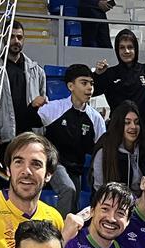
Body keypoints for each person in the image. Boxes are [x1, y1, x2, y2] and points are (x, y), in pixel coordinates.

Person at [39, 63, 106, 214]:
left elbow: (102, 151)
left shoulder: (95, 118)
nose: (90, 88)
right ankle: (59, 232)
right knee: (69, 189)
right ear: (71, 86)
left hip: (76, 169)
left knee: (74, 199)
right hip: (54, 163)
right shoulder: (53, 108)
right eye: (84, 83)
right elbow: (30, 125)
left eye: (91, 83)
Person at [93, 29, 145, 144]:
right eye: (122, 47)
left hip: (142, 134)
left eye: (130, 47)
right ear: (117, 50)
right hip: (116, 134)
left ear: (136, 49)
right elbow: (92, 92)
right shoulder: (109, 73)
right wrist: (97, 75)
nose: (126, 51)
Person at [0, 21, 47, 148]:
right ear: (3, 39)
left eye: (19, 37)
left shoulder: (37, 70)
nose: (16, 41)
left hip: (30, 135)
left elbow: (43, 105)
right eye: (11, 37)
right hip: (5, 136)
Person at [91, 101, 145, 196]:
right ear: (118, 125)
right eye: (127, 123)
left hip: (140, 205)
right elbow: (99, 189)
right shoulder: (105, 151)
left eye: (137, 122)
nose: (133, 127)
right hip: (111, 204)